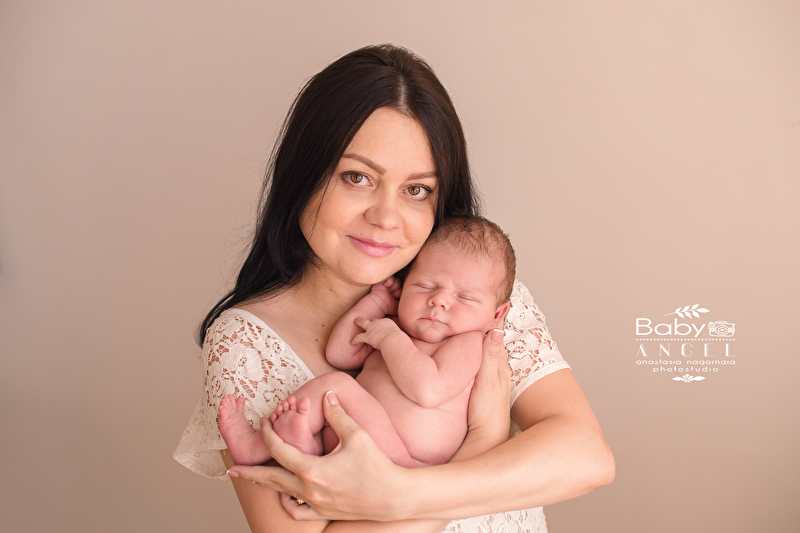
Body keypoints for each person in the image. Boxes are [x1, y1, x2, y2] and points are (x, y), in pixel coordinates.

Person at [174, 44, 614, 533]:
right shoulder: (245, 342)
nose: (386, 218)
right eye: (357, 177)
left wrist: (400, 494)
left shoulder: (475, 301)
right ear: (304, 175)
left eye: (416, 190)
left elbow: (587, 456)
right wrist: (482, 440)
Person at [217, 215, 516, 470]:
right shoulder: (394, 328)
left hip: (405, 461)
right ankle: (305, 449)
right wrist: (377, 304)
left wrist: (389, 338)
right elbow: (340, 353)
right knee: (319, 403)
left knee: (337, 386)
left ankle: (255, 446)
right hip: (358, 441)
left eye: (464, 297)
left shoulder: (469, 343)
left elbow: (428, 390)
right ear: (405, 285)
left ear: (496, 315)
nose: (439, 301)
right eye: (425, 286)